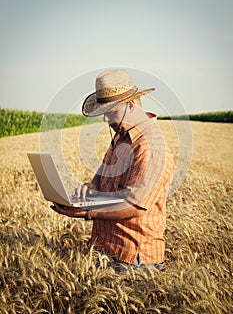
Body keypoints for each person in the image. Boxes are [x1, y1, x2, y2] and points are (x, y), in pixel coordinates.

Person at [51, 69, 173, 270]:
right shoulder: (121, 136)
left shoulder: (150, 146)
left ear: (131, 106)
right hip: (105, 248)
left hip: (133, 259)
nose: (105, 120)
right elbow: (101, 177)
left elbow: (134, 206)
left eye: (110, 112)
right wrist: (90, 189)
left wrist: (87, 212)